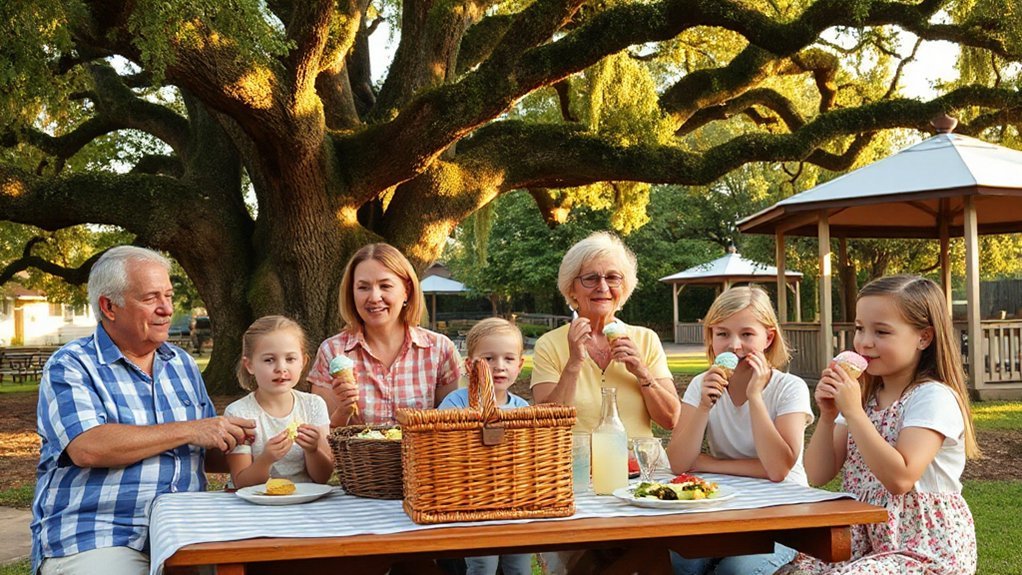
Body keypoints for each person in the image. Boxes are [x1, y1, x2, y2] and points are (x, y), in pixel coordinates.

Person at [31, 246, 256, 575]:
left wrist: (263, 444)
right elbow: (88, 448)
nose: (167, 309)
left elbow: (205, 452)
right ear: (109, 306)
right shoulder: (71, 364)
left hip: (185, 528)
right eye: (151, 298)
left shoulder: (181, 363)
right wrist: (191, 429)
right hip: (100, 533)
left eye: (168, 295)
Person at [789, 275, 979, 575]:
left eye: (881, 331)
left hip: (923, 549)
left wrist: (854, 413)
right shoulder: (863, 397)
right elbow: (817, 473)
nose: (865, 342)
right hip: (862, 542)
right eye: (860, 328)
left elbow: (900, 479)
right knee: (793, 570)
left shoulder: (932, 397)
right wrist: (827, 416)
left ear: (924, 337)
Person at [666, 286, 812, 575]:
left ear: (768, 338)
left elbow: (777, 470)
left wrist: (755, 397)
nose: (734, 345)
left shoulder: (789, 388)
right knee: (681, 560)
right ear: (711, 337)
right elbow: (679, 463)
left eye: (747, 334)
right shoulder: (701, 385)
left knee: (736, 570)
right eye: (723, 334)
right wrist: (704, 407)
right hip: (726, 508)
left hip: (784, 511)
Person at [531, 231, 680, 437]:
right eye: (590, 278)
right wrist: (574, 363)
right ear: (571, 289)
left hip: (636, 458)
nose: (602, 287)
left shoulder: (646, 339)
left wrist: (642, 372)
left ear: (624, 287)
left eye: (612, 277)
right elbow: (544, 426)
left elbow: (670, 420)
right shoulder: (549, 344)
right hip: (576, 458)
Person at [309, 243, 460, 427]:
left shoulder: (440, 350)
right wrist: (343, 410)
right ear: (351, 293)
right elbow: (323, 434)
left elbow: (450, 427)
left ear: (407, 290)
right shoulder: (332, 351)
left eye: (385, 285)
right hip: (353, 448)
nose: (374, 297)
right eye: (363, 287)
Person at [438, 318, 532, 575]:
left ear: (520, 365)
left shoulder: (522, 409)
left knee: (520, 566)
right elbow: (443, 446)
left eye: (508, 359)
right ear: (470, 365)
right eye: (489, 359)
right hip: (473, 499)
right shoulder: (456, 403)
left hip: (514, 500)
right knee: (482, 565)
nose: (499, 366)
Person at [224, 316, 333, 487]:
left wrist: (313, 451)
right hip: (256, 499)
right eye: (269, 360)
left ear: (303, 362)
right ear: (250, 365)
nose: (281, 368)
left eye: (290, 359)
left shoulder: (313, 405)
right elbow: (241, 482)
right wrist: (266, 459)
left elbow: (323, 478)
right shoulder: (239, 413)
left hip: (303, 498)